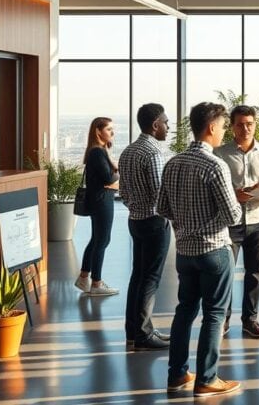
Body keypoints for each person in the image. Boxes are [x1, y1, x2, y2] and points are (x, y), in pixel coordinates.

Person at [158, 102, 243, 397]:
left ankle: (177, 375)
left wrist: (186, 222)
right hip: (214, 250)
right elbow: (233, 216)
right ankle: (207, 379)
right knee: (215, 314)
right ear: (210, 127)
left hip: (184, 252)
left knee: (185, 311)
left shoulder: (173, 163)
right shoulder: (215, 165)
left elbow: (162, 208)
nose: (224, 132)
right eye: (223, 126)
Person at [215, 104, 259, 339]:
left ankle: (251, 320)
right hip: (230, 222)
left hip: (258, 220)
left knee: (255, 273)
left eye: (249, 124)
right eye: (240, 124)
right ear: (232, 127)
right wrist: (234, 194)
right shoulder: (220, 153)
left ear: (255, 124)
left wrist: (256, 193)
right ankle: (223, 320)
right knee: (225, 273)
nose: (245, 128)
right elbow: (216, 186)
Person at [119, 103, 171, 351]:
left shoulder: (128, 151)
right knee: (150, 278)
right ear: (155, 125)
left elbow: (123, 192)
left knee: (137, 276)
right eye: (166, 122)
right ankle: (143, 335)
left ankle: (135, 331)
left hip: (135, 220)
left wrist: (135, 207)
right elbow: (161, 194)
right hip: (154, 222)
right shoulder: (153, 153)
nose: (168, 127)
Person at [75, 117, 120, 296]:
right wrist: (117, 171)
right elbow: (109, 178)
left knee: (96, 239)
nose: (112, 133)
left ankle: (84, 277)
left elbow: (108, 179)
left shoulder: (98, 151)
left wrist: (113, 176)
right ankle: (96, 283)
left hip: (99, 199)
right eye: (109, 129)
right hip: (102, 201)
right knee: (102, 240)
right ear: (98, 131)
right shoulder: (97, 152)